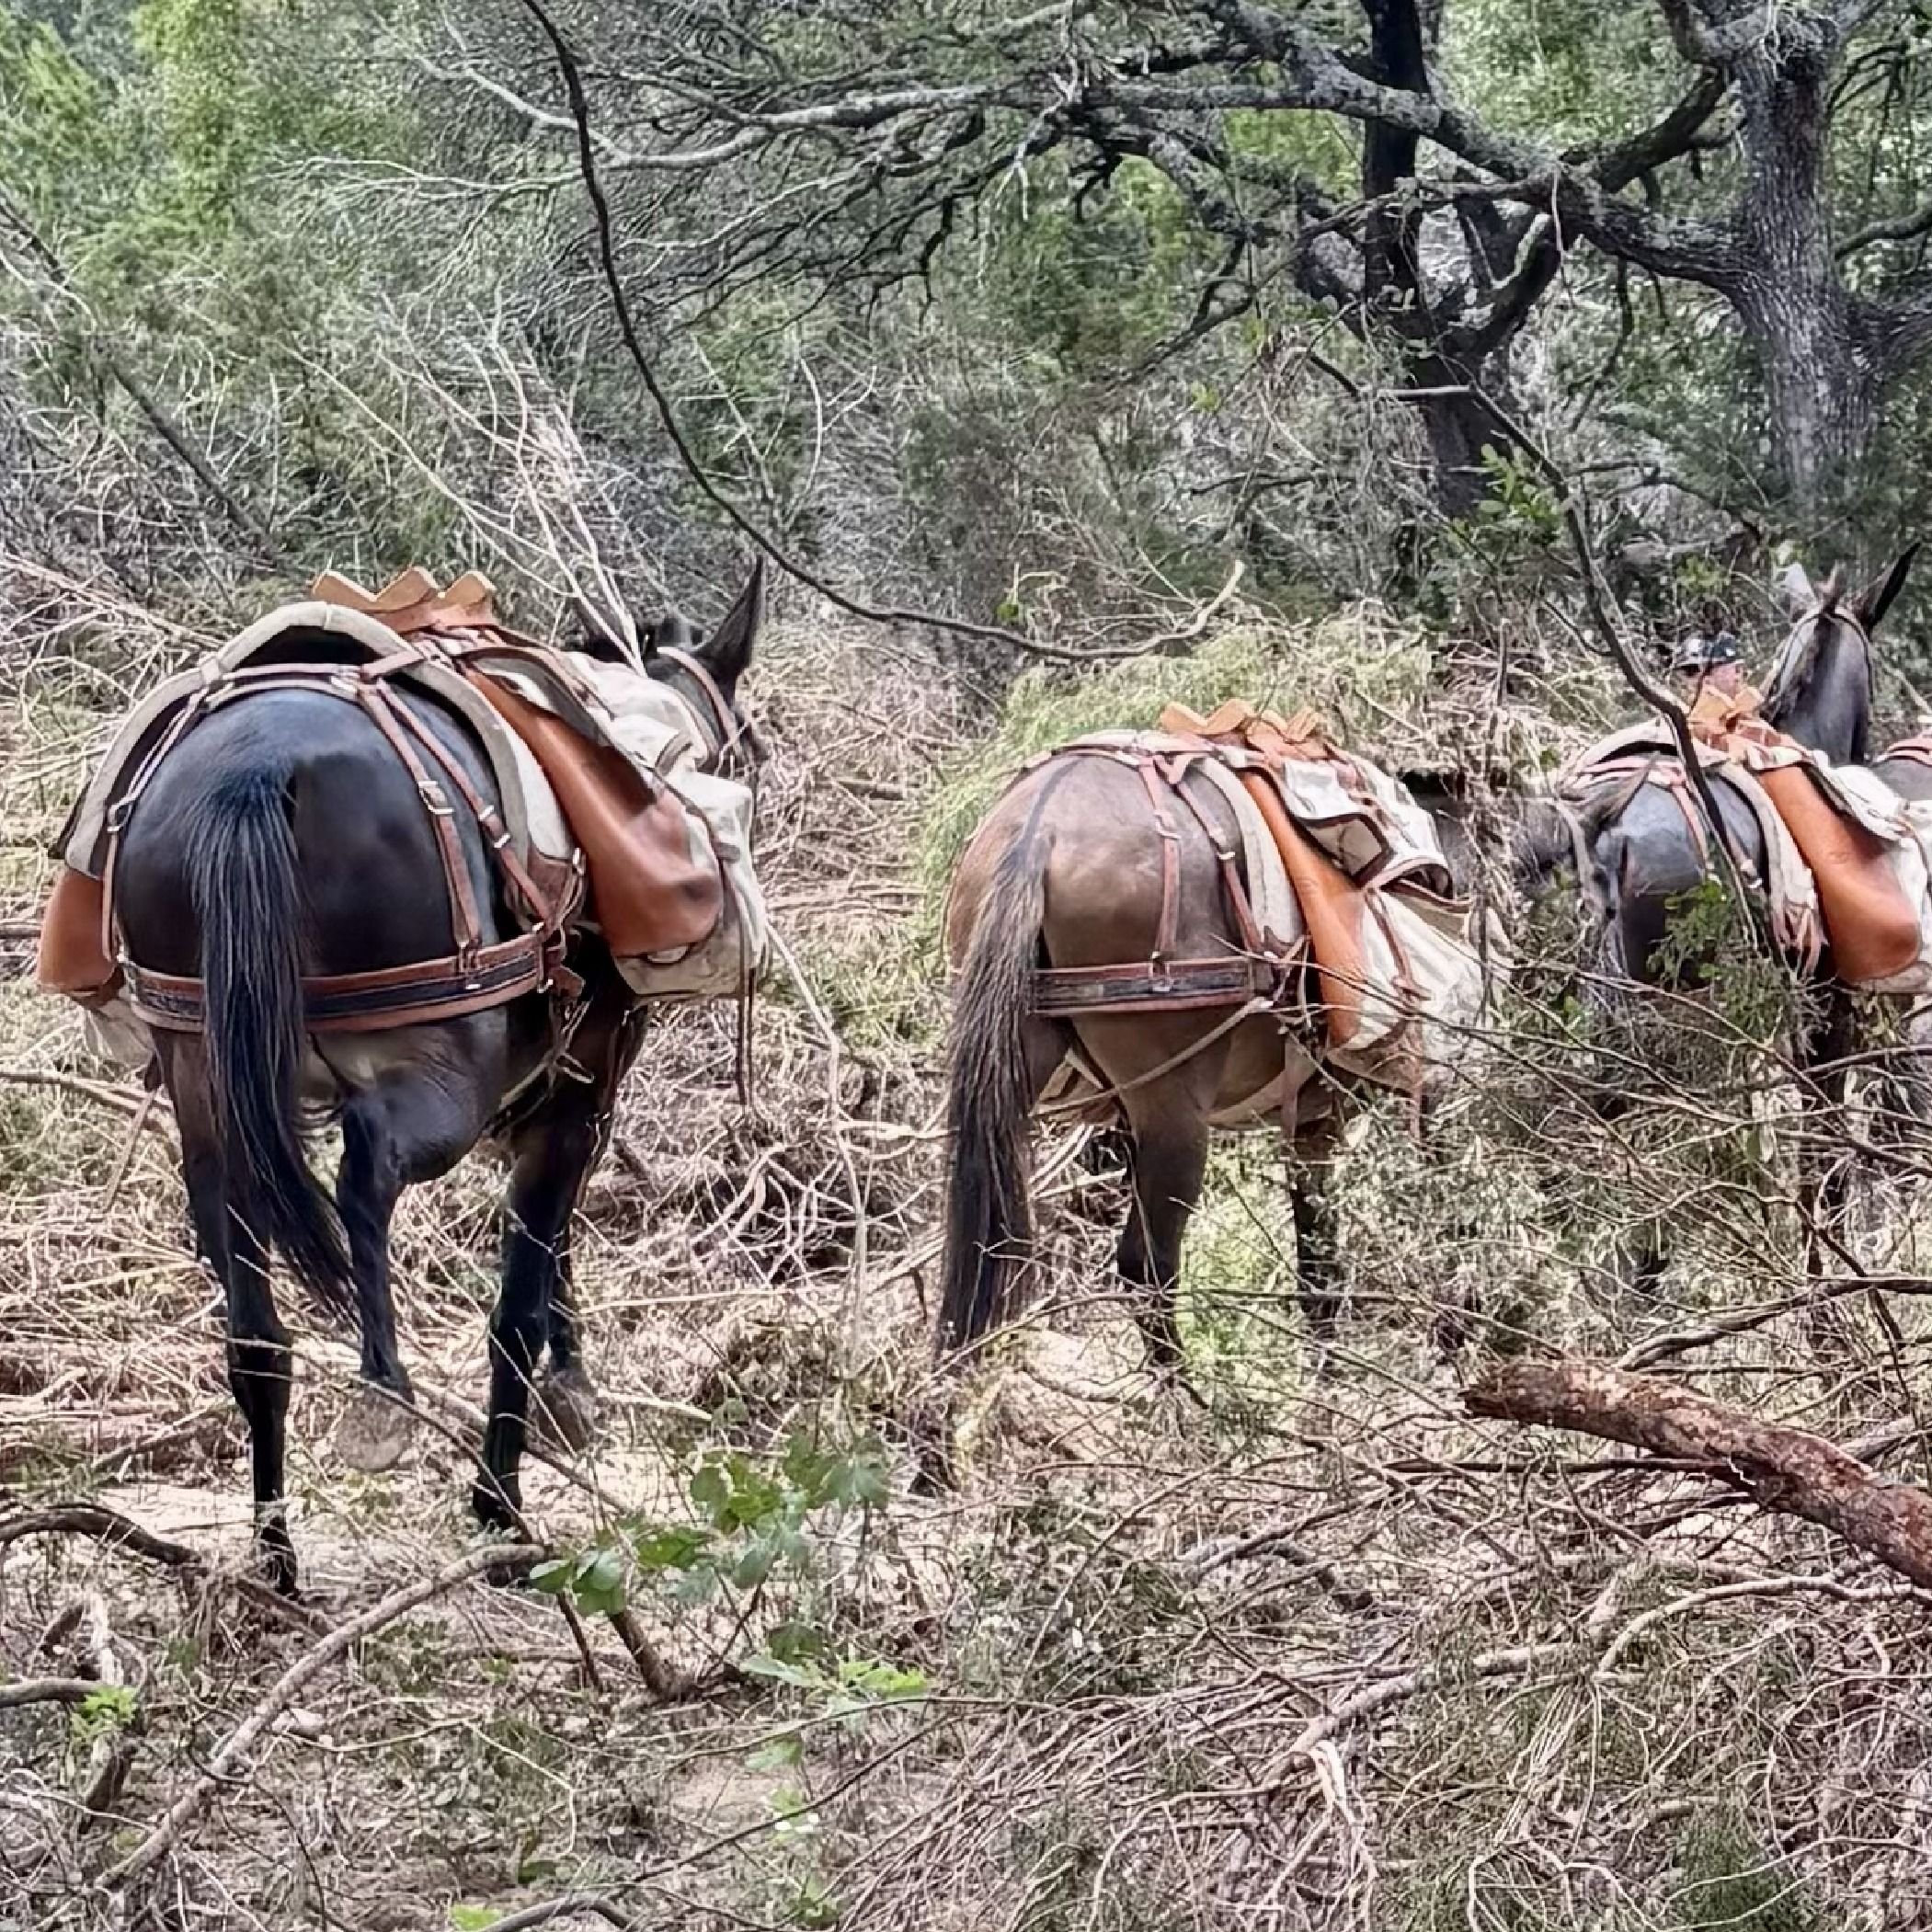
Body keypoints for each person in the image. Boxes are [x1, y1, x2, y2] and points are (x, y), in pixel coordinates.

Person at [1671, 628, 1762, 734]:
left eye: (1692, 671)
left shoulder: (1755, 724)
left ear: (1737, 671)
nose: (1691, 682)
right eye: (1687, 673)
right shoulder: (1676, 724)